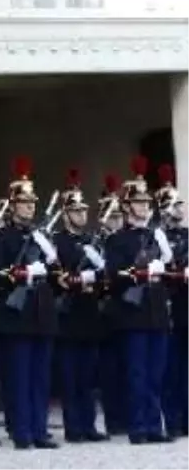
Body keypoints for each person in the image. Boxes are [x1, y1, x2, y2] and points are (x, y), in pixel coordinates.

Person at [0, 155, 60, 450]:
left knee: (41, 377)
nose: (30, 207)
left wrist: (45, 268)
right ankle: (21, 430)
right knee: (17, 376)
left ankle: (39, 430)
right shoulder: (1, 238)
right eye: (24, 203)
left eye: (32, 203)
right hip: (15, 314)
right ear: (12, 206)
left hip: (41, 312)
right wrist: (22, 273)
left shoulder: (41, 237)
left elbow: (56, 272)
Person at [104, 155, 173, 445]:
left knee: (156, 373)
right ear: (128, 206)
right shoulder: (117, 239)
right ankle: (138, 427)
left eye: (146, 203)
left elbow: (169, 269)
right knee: (136, 373)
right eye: (139, 203)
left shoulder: (157, 237)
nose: (144, 207)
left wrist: (164, 271)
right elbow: (115, 275)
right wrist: (142, 272)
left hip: (157, 312)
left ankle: (154, 425)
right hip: (133, 313)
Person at [51, 168, 108, 443]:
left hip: (88, 313)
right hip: (68, 313)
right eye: (75, 211)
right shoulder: (57, 242)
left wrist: (92, 278)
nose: (82, 215)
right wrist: (78, 279)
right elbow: (57, 276)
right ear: (65, 214)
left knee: (88, 376)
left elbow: (104, 274)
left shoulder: (90, 241)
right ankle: (73, 427)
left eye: (84, 210)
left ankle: (89, 425)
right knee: (70, 376)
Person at [158, 164, 189, 436]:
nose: (180, 208)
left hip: (187, 306)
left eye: (180, 203)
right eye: (175, 204)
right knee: (171, 369)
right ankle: (173, 420)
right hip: (168, 307)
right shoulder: (158, 238)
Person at [96, 172, 128, 436]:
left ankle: (125, 417)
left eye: (119, 216)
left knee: (127, 366)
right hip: (101, 310)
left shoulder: (126, 240)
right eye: (112, 216)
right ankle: (114, 419)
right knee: (108, 370)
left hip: (125, 309)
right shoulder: (96, 241)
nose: (116, 221)